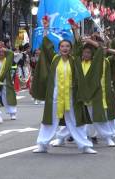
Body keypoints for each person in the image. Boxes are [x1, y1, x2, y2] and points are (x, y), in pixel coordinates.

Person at [32, 17, 96, 154]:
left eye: (67, 46)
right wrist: (46, 28)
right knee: (49, 120)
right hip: (55, 96)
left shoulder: (75, 60)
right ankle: (42, 145)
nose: (65, 48)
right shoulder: (54, 59)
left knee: (75, 120)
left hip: (71, 96)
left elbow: (79, 45)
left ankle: (85, 146)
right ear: (59, 48)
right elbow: (45, 45)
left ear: (70, 49)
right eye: (62, 46)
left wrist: (75, 29)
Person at [0, 42, 18, 121]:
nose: (1, 53)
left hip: (5, 81)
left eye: (2, 52)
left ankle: (12, 113)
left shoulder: (8, 59)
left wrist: (3, 48)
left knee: (7, 97)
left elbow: (11, 53)